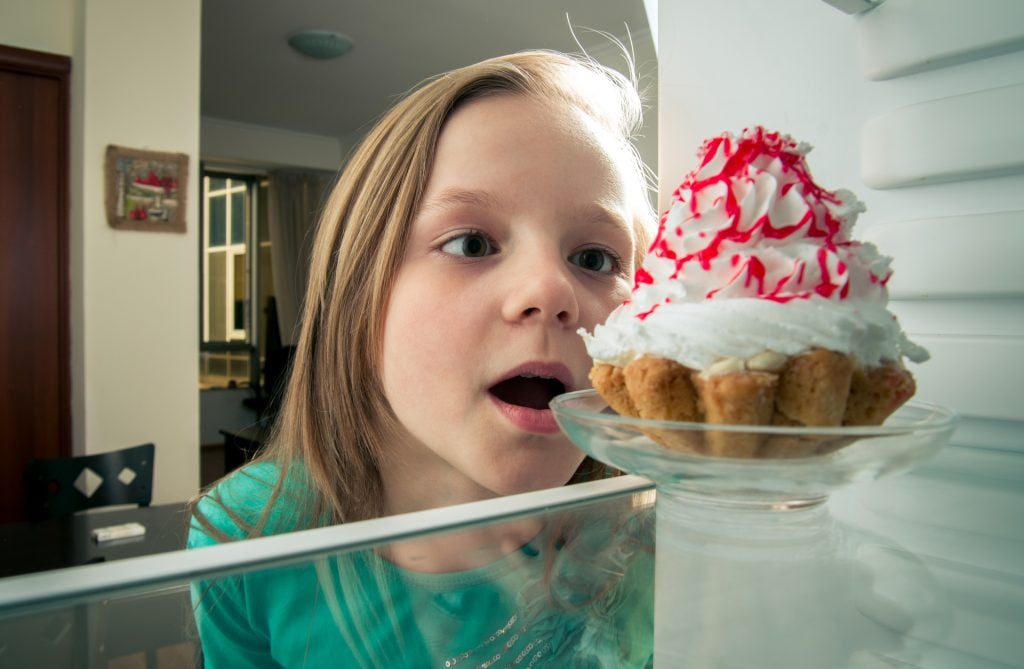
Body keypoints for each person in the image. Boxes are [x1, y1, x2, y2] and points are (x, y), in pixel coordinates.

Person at [188, 49, 655, 668]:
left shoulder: (648, 544)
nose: (551, 293)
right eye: (471, 243)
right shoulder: (246, 532)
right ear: (360, 291)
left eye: (595, 259)